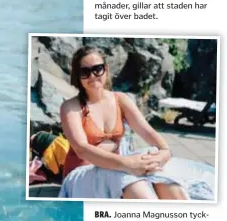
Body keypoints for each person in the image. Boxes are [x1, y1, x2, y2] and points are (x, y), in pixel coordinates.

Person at [59, 46, 203, 200]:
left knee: (163, 177)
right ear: (78, 76)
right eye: (85, 72)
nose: (92, 76)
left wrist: (164, 152)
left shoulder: (120, 99)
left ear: (106, 69)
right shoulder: (71, 107)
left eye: (97, 69)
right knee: (136, 186)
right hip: (83, 173)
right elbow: (82, 149)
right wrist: (127, 164)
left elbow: (147, 132)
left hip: (117, 166)